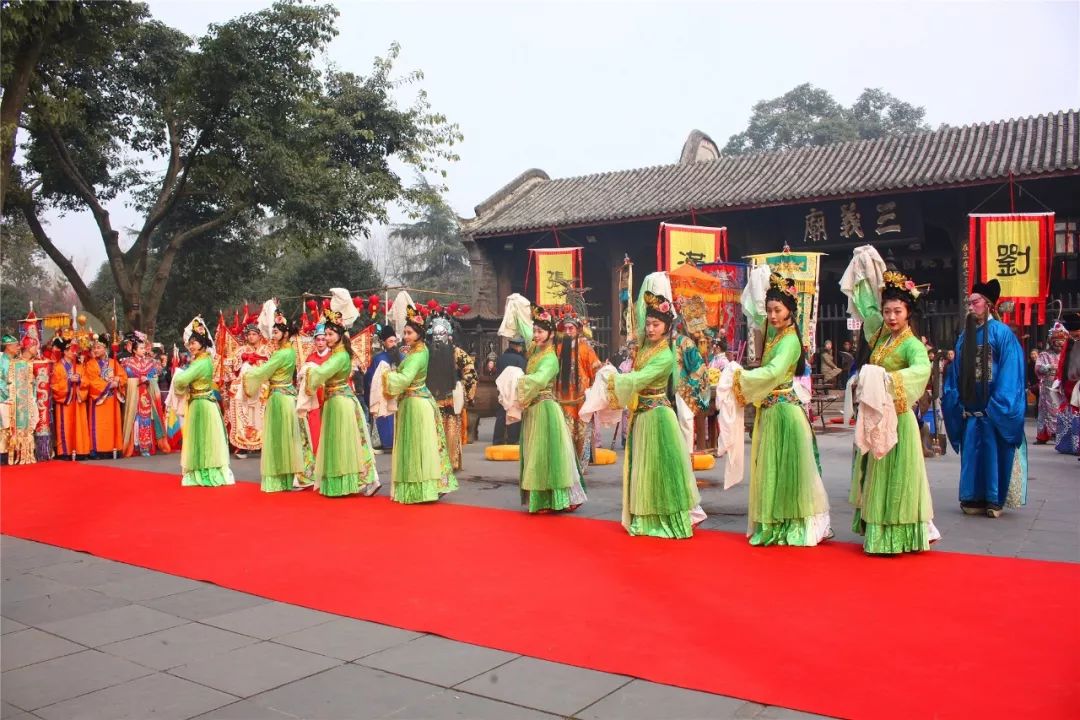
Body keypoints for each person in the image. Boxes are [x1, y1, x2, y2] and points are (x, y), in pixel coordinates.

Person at [843, 254, 937, 554]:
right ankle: (878, 531)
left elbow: (921, 371)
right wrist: (864, 268)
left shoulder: (912, 344)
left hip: (898, 418)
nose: (891, 317)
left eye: (897, 311)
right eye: (887, 311)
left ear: (908, 312)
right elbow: (867, 307)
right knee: (877, 473)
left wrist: (885, 381)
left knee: (898, 477)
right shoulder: (882, 337)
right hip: (877, 418)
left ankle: (899, 535)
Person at [734, 272, 831, 546]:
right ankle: (776, 523)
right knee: (772, 470)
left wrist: (741, 377)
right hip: (771, 412)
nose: (772, 315)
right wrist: (759, 278)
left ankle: (795, 524)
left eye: (777, 310)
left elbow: (774, 372)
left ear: (790, 310)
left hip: (786, 413)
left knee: (790, 472)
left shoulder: (789, 340)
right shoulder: (773, 335)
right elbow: (752, 310)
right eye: (769, 310)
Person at [606, 276, 704, 538]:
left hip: (658, 416)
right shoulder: (644, 348)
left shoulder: (664, 354)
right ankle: (647, 517)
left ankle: (667, 519)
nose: (650, 329)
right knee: (645, 468)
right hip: (643, 415)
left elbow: (639, 379)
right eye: (648, 324)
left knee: (661, 468)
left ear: (666, 327)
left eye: (656, 324)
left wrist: (616, 380)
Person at [942, 279, 1027, 517]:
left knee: (993, 453)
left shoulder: (1002, 334)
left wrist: (998, 405)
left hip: (994, 408)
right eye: (969, 303)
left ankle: (993, 499)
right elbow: (956, 372)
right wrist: (956, 400)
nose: (970, 307)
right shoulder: (964, 337)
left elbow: (1012, 373)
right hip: (970, 409)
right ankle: (971, 497)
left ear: (988, 305)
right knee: (972, 454)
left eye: (975, 302)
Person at [499, 294, 586, 513]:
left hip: (546, 409)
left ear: (550, 334)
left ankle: (551, 499)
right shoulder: (535, 349)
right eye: (535, 331)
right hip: (533, 410)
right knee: (536, 453)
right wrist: (518, 304)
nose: (536, 335)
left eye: (540, 331)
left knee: (546, 454)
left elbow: (538, 380)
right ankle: (543, 498)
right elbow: (525, 327)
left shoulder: (549, 358)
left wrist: (517, 381)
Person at [380, 299, 456, 503]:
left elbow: (404, 379)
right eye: (404, 333)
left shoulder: (419, 354)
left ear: (420, 334)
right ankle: (418, 487)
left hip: (416, 403)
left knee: (417, 447)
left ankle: (420, 489)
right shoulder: (414, 351)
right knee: (416, 446)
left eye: (409, 333)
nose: (405, 337)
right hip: (413, 401)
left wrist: (386, 376)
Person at [304, 299, 380, 497]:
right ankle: (358, 480)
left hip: (340, 402)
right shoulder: (340, 353)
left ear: (339, 336)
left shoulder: (340, 356)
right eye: (326, 334)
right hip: (337, 400)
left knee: (344, 443)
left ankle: (351, 481)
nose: (327, 338)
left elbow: (321, 373)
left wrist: (309, 372)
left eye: (330, 334)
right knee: (349, 442)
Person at [244, 305, 313, 492]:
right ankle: (289, 476)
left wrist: (248, 374)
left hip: (280, 398)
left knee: (281, 438)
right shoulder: (286, 351)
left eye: (276, 331)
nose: (273, 334)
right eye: (273, 331)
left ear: (285, 333)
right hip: (283, 396)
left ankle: (285, 477)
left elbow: (265, 371)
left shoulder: (283, 353)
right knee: (287, 438)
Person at [173, 317, 234, 487]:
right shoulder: (201, 360)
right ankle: (201, 469)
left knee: (204, 438)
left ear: (202, 344)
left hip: (202, 403)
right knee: (202, 437)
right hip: (200, 402)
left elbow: (181, 381)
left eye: (194, 343)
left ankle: (206, 470)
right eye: (190, 343)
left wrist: (178, 376)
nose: (191, 346)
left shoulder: (201, 362)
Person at [425, 310, 477, 471]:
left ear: (449, 335)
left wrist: (464, 390)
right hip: (431, 398)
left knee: (451, 431)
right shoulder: (427, 353)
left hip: (450, 398)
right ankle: (434, 462)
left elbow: (470, 371)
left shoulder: (457, 353)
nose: (438, 337)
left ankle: (451, 462)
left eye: (442, 334)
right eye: (435, 334)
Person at [552, 313, 601, 468]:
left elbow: (596, 372)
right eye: (565, 328)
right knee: (564, 433)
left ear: (578, 330)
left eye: (571, 328)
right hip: (563, 400)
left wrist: (593, 394)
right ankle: (567, 466)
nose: (567, 331)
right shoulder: (558, 349)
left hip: (582, 401)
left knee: (582, 435)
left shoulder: (586, 349)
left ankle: (581, 466)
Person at [121, 333, 171, 458]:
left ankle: (146, 446)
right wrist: (138, 380)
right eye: (141, 348)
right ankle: (134, 446)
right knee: (135, 419)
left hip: (147, 394)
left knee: (147, 419)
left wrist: (148, 379)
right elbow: (124, 380)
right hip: (134, 395)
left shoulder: (151, 362)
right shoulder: (126, 363)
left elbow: (157, 375)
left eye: (144, 348)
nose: (144, 350)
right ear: (134, 350)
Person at [225, 322, 270, 459]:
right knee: (243, 415)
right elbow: (230, 366)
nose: (251, 337)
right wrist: (235, 379)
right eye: (249, 334)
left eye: (254, 334)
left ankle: (261, 444)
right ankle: (243, 446)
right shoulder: (240, 350)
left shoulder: (266, 351)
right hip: (242, 390)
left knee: (260, 416)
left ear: (259, 335)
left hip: (261, 389)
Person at [85, 334, 127, 459]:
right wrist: (110, 384)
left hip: (112, 399)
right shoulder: (90, 364)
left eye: (98, 348)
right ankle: (98, 450)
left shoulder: (113, 362)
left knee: (112, 425)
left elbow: (123, 376)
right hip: (99, 399)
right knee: (99, 426)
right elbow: (92, 380)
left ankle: (113, 448)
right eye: (94, 348)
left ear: (105, 349)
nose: (96, 350)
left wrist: (118, 380)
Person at [50, 337, 91, 460]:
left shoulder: (79, 367)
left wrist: (79, 380)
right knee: (65, 425)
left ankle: (80, 450)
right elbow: (54, 385)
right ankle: (65, 451)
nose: (75, 352)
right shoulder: (57, 367)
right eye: (72, 350)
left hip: (77, 400)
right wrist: (68, 381)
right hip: (65, 402)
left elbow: (87, 382)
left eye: (76, 350)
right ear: (65, 351)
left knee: (79, 425)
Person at [364, 325, 399, 452]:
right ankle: (387, 442)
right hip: (383, 395)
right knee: (385, 416)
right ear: (384, 342)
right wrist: (369, 397)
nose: (394, 344)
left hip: (398, 396)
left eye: (395, 341)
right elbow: (369, 380)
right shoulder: (378, 359)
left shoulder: (402, 356)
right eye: (390, 341)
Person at [301, 324, 332, 455]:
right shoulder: (310, 358)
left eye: (323, 339)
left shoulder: (332, 357)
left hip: (328, 397)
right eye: (317, 339)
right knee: (314, 428)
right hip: (314, 399)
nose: (320, 342)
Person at [1035, 323, 1068, 444]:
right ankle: (1043, 435)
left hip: (1062, 387)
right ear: (1051, 341)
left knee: (1062, 410)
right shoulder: (1044, 355)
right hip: (1048, 387)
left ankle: (1060, 434)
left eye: (1062, 340)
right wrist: (1049, 367)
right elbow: (1038, 368)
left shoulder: (1067, 355)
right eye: (1056, 340)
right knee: (1045, 411)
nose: (1059, 343)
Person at [492, 336, 527, 444]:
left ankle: (497, 440)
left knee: (501, 413)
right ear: (517, 347)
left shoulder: (501, 358)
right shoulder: (521, 359)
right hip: (515, 390)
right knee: (514, 411)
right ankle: (512, 439)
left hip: (502, 390)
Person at [1054, 316, 1080, 457]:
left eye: (1076, 334)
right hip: (1069, 384)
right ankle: (1068, 446)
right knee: (1068, 415)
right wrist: (1059, 380)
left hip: (1078, 384)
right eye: (1071, 334)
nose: (1073, 337)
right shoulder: (1069, 342)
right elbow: (1062, 363)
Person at [0, 334, 19, 462]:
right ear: (8, 346)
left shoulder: (17, 361)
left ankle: (13, 452)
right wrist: (7, 394)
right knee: (4, 425)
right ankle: (3, 454)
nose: (18, 347)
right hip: (4, 397)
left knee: (14, 425)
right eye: (15, 345)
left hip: (17, 398)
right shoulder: (1, 360)